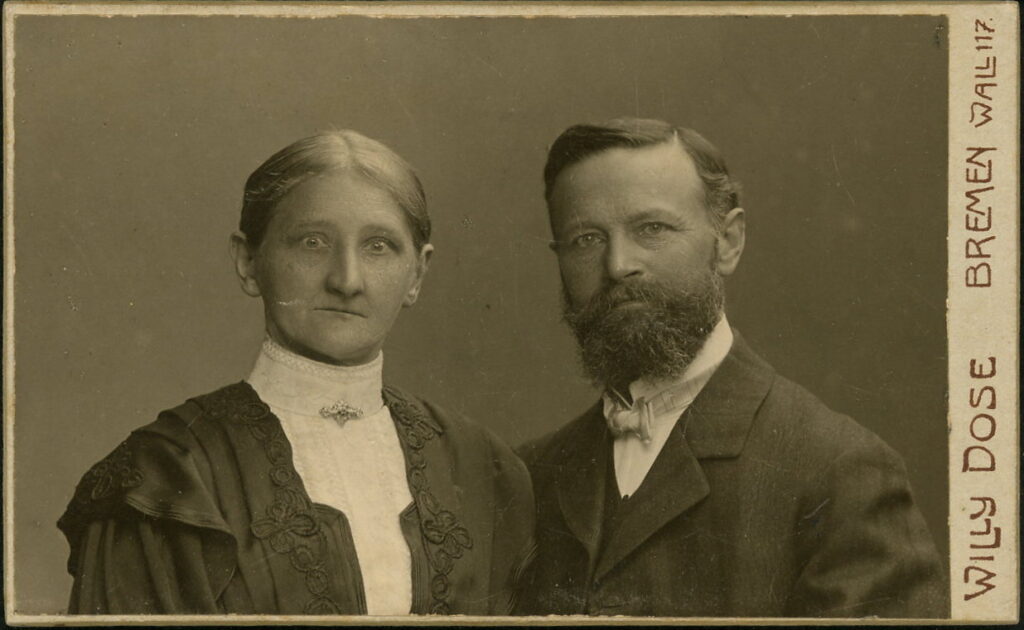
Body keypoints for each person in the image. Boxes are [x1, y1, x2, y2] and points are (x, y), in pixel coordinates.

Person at [57, 130, 535, 615]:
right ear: (248, 261)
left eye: (378, 246)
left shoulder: (484, 467)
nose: (346, 280)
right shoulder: (168, 474)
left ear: (417, 273)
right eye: (312, 242)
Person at [515, 118, 947, 617]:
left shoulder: (839, 472)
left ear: (728, 241)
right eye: (586, 239)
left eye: (652, 229)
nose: (618, 265)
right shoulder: (525, 476)